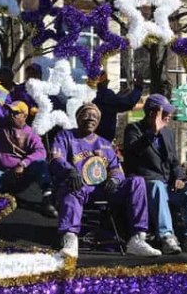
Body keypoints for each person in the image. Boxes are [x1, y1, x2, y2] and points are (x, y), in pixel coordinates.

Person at [50, 103, 161, 258]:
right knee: (71, 188)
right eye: (86, 115)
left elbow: (116, 169)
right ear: (77, 118)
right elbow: (56, 158)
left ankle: (138, 239)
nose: (91, 119)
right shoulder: (65, 136)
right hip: (78, 186)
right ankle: (70, 239)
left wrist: (115, 179)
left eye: (95, 116)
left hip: (103, 189)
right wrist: (70, 170)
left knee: (137, 182)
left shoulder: (105, 144)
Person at [123, 94, 187, 254]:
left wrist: (179, 177)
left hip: (169, 186)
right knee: (157, 186)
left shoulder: (168, 133)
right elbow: (131, 153)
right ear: (152, 114)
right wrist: (152, 133)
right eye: (165, 113)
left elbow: (174, 161)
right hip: (149, 186)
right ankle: (166, 236)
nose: (169, 116)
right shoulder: (134, 130)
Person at [0, 100, 57, 218]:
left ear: (24, 116)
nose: (11, 114)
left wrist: (23, 164)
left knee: (41, 164)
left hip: (21, 175)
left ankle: (47, 199)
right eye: (9, 111)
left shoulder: (31, 133)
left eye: (15, 112)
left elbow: (41, 152)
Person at [93, 71, 143, 142]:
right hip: (104, 139)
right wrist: (138, 89)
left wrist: (119, 97)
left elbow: (115, 104)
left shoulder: (98, 98)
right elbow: (128, 103)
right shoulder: (107, 96)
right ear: (105, 83)